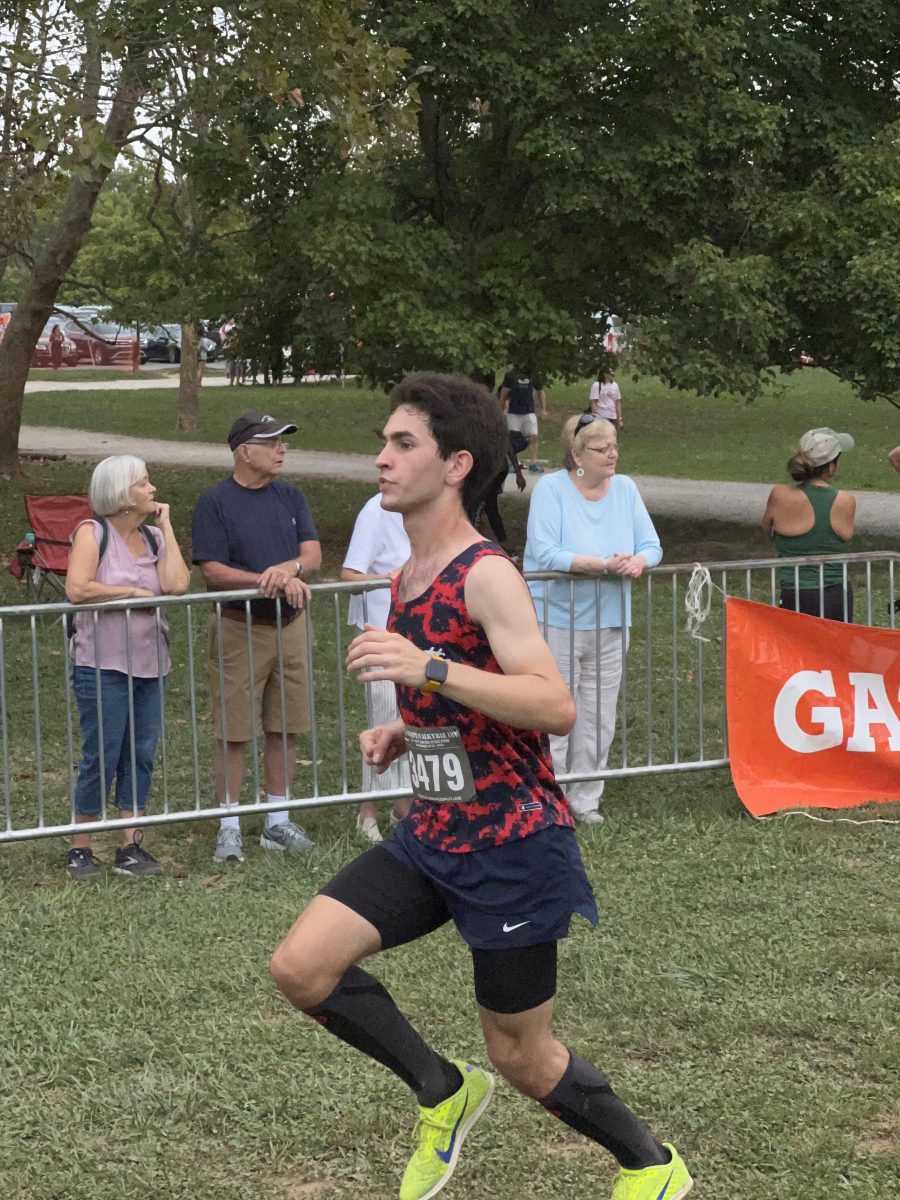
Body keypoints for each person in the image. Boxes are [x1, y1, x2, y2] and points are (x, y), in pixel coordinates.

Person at [269, 375, 691, 1200]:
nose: (380, 459)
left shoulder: (486, 573)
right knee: (301, 968)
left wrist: (427, 668)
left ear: (457, 463)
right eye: (384, 442)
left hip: (513, 845)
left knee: (522, 1055)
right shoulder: (406, 577)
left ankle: (651, 1167)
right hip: (433, 835)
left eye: (402, 444)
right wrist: (407, 727)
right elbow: (462, 698)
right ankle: (442, 1090)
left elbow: (553, 704)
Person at [192, 412, 322, 863]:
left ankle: (277, 820)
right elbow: (211, 569)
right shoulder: (215, 502)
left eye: (283, 441)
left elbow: (312, 552)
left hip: (290, 626)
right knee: (234, 730)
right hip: (238, 628)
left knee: (285, 725)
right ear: (245, 451)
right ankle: (229, 826)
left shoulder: (290, 496)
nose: (282, 449)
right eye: (272, 442)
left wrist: (289, 570)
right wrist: (264, 581)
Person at [524, 413, 662, 825]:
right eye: (603, 449)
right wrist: (601, 564)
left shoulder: (625, 489)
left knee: (599, 714)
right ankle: (552, 796)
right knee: (557, 710)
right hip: (557, 618)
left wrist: (637, 561)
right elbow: (546, 552)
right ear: (577, 454)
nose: (613, 454)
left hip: (611, 618)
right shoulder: (551, 489)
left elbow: (652, 545)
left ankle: (586, 799)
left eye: (615, 446)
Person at [64, 455, 191, 880]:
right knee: (101, 753)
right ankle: (81, 847)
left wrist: (169, 527)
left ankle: (129, 845)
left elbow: (176, 584)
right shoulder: (92, 532)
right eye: (144, 483)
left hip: (150, 664)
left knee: (140, 753)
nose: (153, 490)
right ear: (121, 496)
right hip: (101, 663)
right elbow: (78, 588)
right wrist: (131, 591)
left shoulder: (154, 537)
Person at [341, 494, 412, 843]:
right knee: (383, 719)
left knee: (414, 719)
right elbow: (349, 574)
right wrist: (391, 578)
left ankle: (404, 806)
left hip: (418, 633)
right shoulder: (376, 510)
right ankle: (367, 811)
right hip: (380, 631)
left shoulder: (431, 508)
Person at [760, 427, 856, 621]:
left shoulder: (779, 495)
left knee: (796, 650)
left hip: (795, 592)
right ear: (831, 466)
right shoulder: (845, 501)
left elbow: (765, 528)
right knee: (836, 650)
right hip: (836, 593)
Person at [499, 366, 548, 473]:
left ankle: (533, 463)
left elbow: (540, 391)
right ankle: (514, 463)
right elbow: (504, 392)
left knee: (533, 436)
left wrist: (543, 409)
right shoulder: (510, 375)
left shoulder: (534, 374)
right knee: (514, 438)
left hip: (529, 411)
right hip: (513, 411)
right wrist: (501, 407)